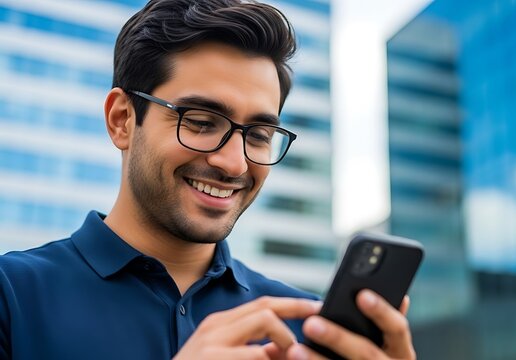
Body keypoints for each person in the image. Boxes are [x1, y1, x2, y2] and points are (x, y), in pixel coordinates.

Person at [0, 0, 416, 359]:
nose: (235, 164)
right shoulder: (11, 296)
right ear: (122, 120)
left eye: (258, 136)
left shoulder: (307, 327)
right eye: (200, 122)